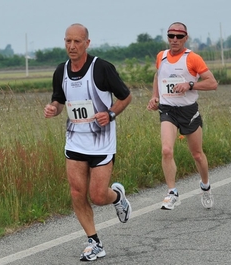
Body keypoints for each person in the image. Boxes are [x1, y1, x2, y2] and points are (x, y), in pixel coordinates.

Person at [44, 23, 132, 261]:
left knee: (98, 196)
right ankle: (94, 242)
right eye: (68, 41)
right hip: (74, 141)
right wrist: (53, 108)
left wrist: (111, 114)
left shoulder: (102, 68)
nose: (71, 46)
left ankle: (117, 197)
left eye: (77, 42)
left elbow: (126, 97)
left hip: (101, 142)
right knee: (76, 193)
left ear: (87, 43)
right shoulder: (60, 71)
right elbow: (59, 99)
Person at [147, 22, 218, 210]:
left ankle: (206, 186)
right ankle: (172, 193)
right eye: (171, 36)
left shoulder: (193, 58)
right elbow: (158, 76)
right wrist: (155, 96)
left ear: (186, 38)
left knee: (197, 154)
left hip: (188, 111)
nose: (174, 40)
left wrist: (190, 85)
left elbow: (212, 83)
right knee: (166, 150)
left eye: (179, 36)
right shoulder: (161, 57)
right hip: (168, 110)